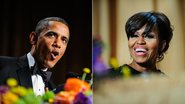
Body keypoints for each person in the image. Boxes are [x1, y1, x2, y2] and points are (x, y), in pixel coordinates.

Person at [0, 17, 70, 96]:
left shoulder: (52, 89)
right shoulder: (3, 65)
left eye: (64, 40)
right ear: (33, 38)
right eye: (52, 35)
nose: (58, 44)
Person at [96, 11, 173, 79]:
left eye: (149, 36)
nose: (140, 41)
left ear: (162, 45)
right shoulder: (107, 78)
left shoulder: (167, 84)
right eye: (134, 35)